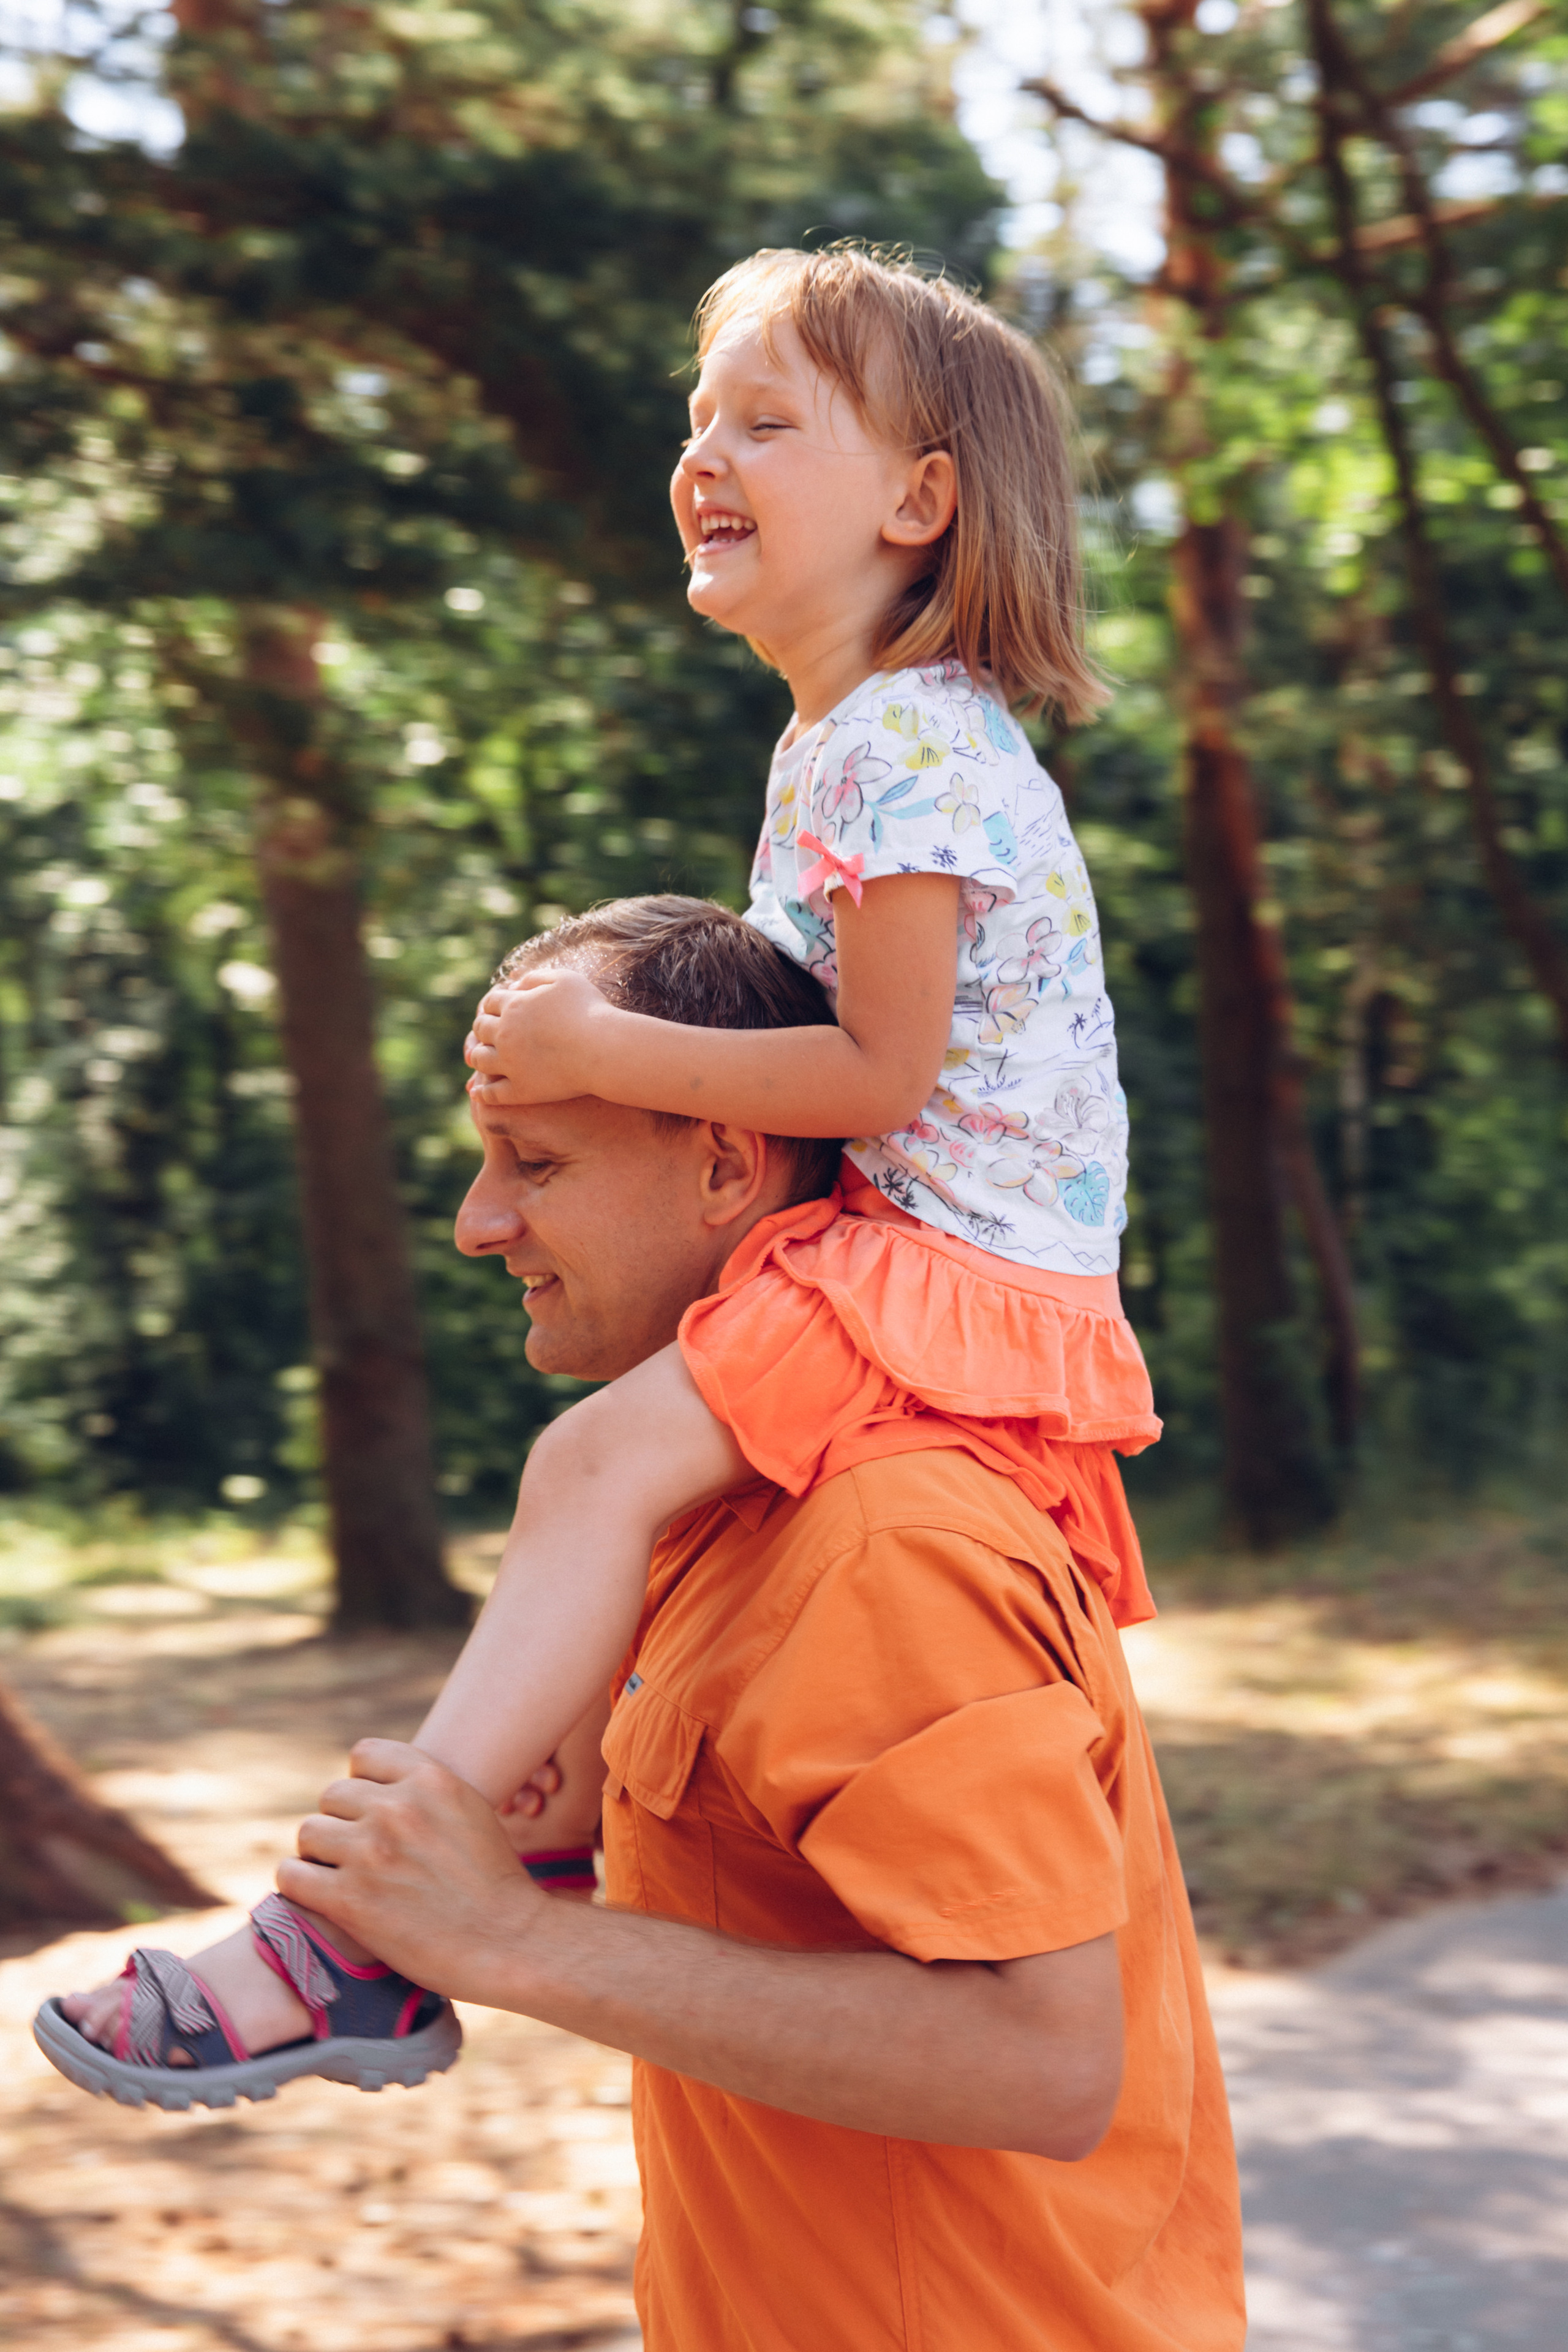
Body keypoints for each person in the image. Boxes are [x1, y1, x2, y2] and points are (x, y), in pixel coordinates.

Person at [40, 243, 1162, 2095]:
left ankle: (346, 1950)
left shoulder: (908, 744)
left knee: (590, 1460)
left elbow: (876, 1069)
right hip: (924, 1245)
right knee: (632, 1481)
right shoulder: (855, 739)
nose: (706, 451)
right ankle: (546, 1814)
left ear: (921, 498)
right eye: (698, 416)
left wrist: (598, 1053)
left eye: (768, 419)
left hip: (949, 1262)